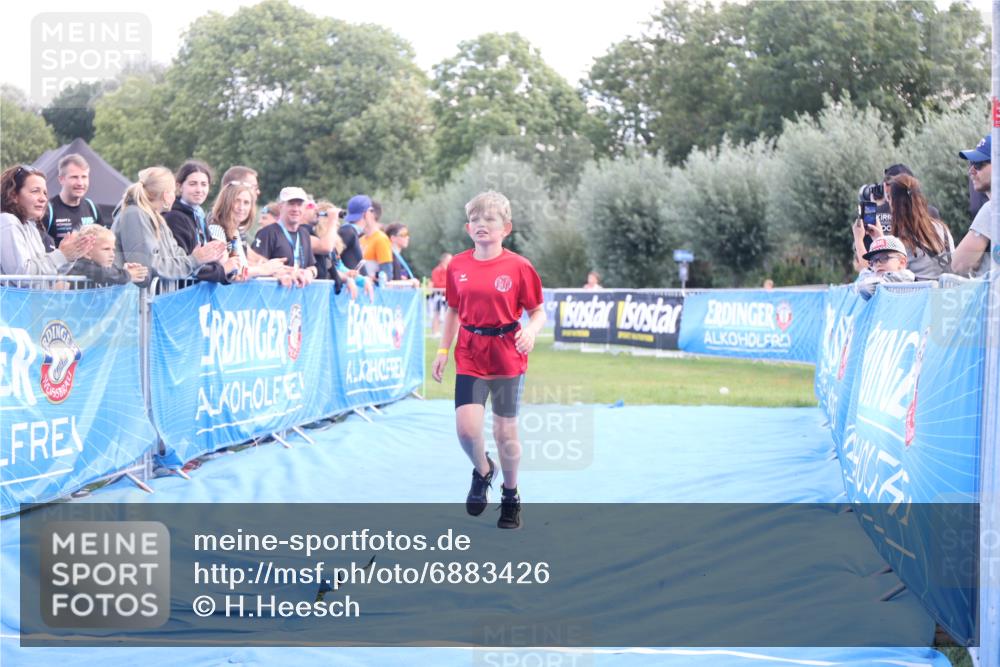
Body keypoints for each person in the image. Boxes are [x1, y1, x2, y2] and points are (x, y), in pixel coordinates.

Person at [432, 191, 546, 530]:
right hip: (469, 351)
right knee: (467, 431)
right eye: (476, 220)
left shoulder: (519, 266)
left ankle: (510, 495)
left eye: (490, 220)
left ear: (505, 227)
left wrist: (532, 331)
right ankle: (483, 470)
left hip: (506, 355)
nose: (482, 225)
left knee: (504, 432)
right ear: (468, 228)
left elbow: (538, 312)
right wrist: (442, 350)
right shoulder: (458, 265)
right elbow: (452, 309)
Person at [112, 166, 226, 281]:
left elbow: (177, 255)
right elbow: (146, 269)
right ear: (166, 195)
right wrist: (194, 260)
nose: (175, 196)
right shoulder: (134, 214)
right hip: (127, 297)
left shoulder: (157, 219)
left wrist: (199, 258)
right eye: (173, 192)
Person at [854, 174, 953, 281]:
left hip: (917, 294)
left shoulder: (901, 239)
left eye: (889, 198)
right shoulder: (942, 228)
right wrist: (880, 239)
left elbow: (874, 277)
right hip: (946, 292)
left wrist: (859, 239)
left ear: (894, 204)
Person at [0, 164, 94, 275]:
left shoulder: (31, 226)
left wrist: (69, 256)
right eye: (35, 191)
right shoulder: (7, 221)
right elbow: (22, 275)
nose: (43, 198)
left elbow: (47, 275)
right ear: (13, 196)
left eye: (44, 193)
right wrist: (61, 255)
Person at [163, 160, 235, 283]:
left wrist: (223, 261)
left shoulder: (199, 215)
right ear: (179, 186)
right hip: (180, 293)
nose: (199, 189)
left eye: (204, 184)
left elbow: (210, 259)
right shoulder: (174, 218)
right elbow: (188, 264)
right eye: (193, 184)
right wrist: (223, 269)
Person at [208, 181, 285, 281]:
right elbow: (232, 272)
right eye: (236, 201)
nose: (241, 207)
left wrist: (275, 271)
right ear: (226, 202)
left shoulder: (236, 232)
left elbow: (242, 268)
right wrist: (262, 269)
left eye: (246, 202)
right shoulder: (216, 229)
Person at [248, 186, 317, 287]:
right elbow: (256, 266)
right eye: (291, 204)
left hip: (297, 297)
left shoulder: (304, 233)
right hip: (271, 298)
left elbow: (312, 266)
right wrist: (279, 274)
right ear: (280, 206)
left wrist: (310, 273)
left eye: (299, 204)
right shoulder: (267, 233)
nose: (296, 209)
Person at [953, 134, 994, 276]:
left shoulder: (993, 209)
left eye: (979, 164)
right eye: (971, 164)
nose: (971, 170)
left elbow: (957, 265)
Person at [46, 153, 103, 247]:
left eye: (84, 177)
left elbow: (102, 243)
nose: (80, 183)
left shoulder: (92, 208)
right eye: (74, 177)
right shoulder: (48, 210)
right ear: (61, 179)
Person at [64, 224, 148, 286]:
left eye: (113, 249)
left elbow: (112, 273)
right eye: (106, 249)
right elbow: (104, 274)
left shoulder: (105, 267)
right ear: (87, 253)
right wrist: (127, 274)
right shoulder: (81, 266)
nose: (112, 254)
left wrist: (128, 271)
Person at [854, 235, 915, 300]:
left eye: (884, 258)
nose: (877, 264)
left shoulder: (903, 279)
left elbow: (864, 286)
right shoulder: (878, 279)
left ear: (901, 262)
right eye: (873, 261)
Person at [338, 194, 371, 271]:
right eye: (371, 211)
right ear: (365, 214)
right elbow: (334, 260)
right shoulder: (348, 232)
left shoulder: (351, 232)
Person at [429, 252, 452, 336]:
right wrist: (449, 284)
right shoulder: (437, 270)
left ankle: (449, 333)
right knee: (437, 313)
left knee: (450, 314)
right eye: (450, 259)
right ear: (444, 260)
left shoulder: (450, 270)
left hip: (448, 296)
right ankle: (435, 332)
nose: (451, 261)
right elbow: (436, 283)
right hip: (438, 295)